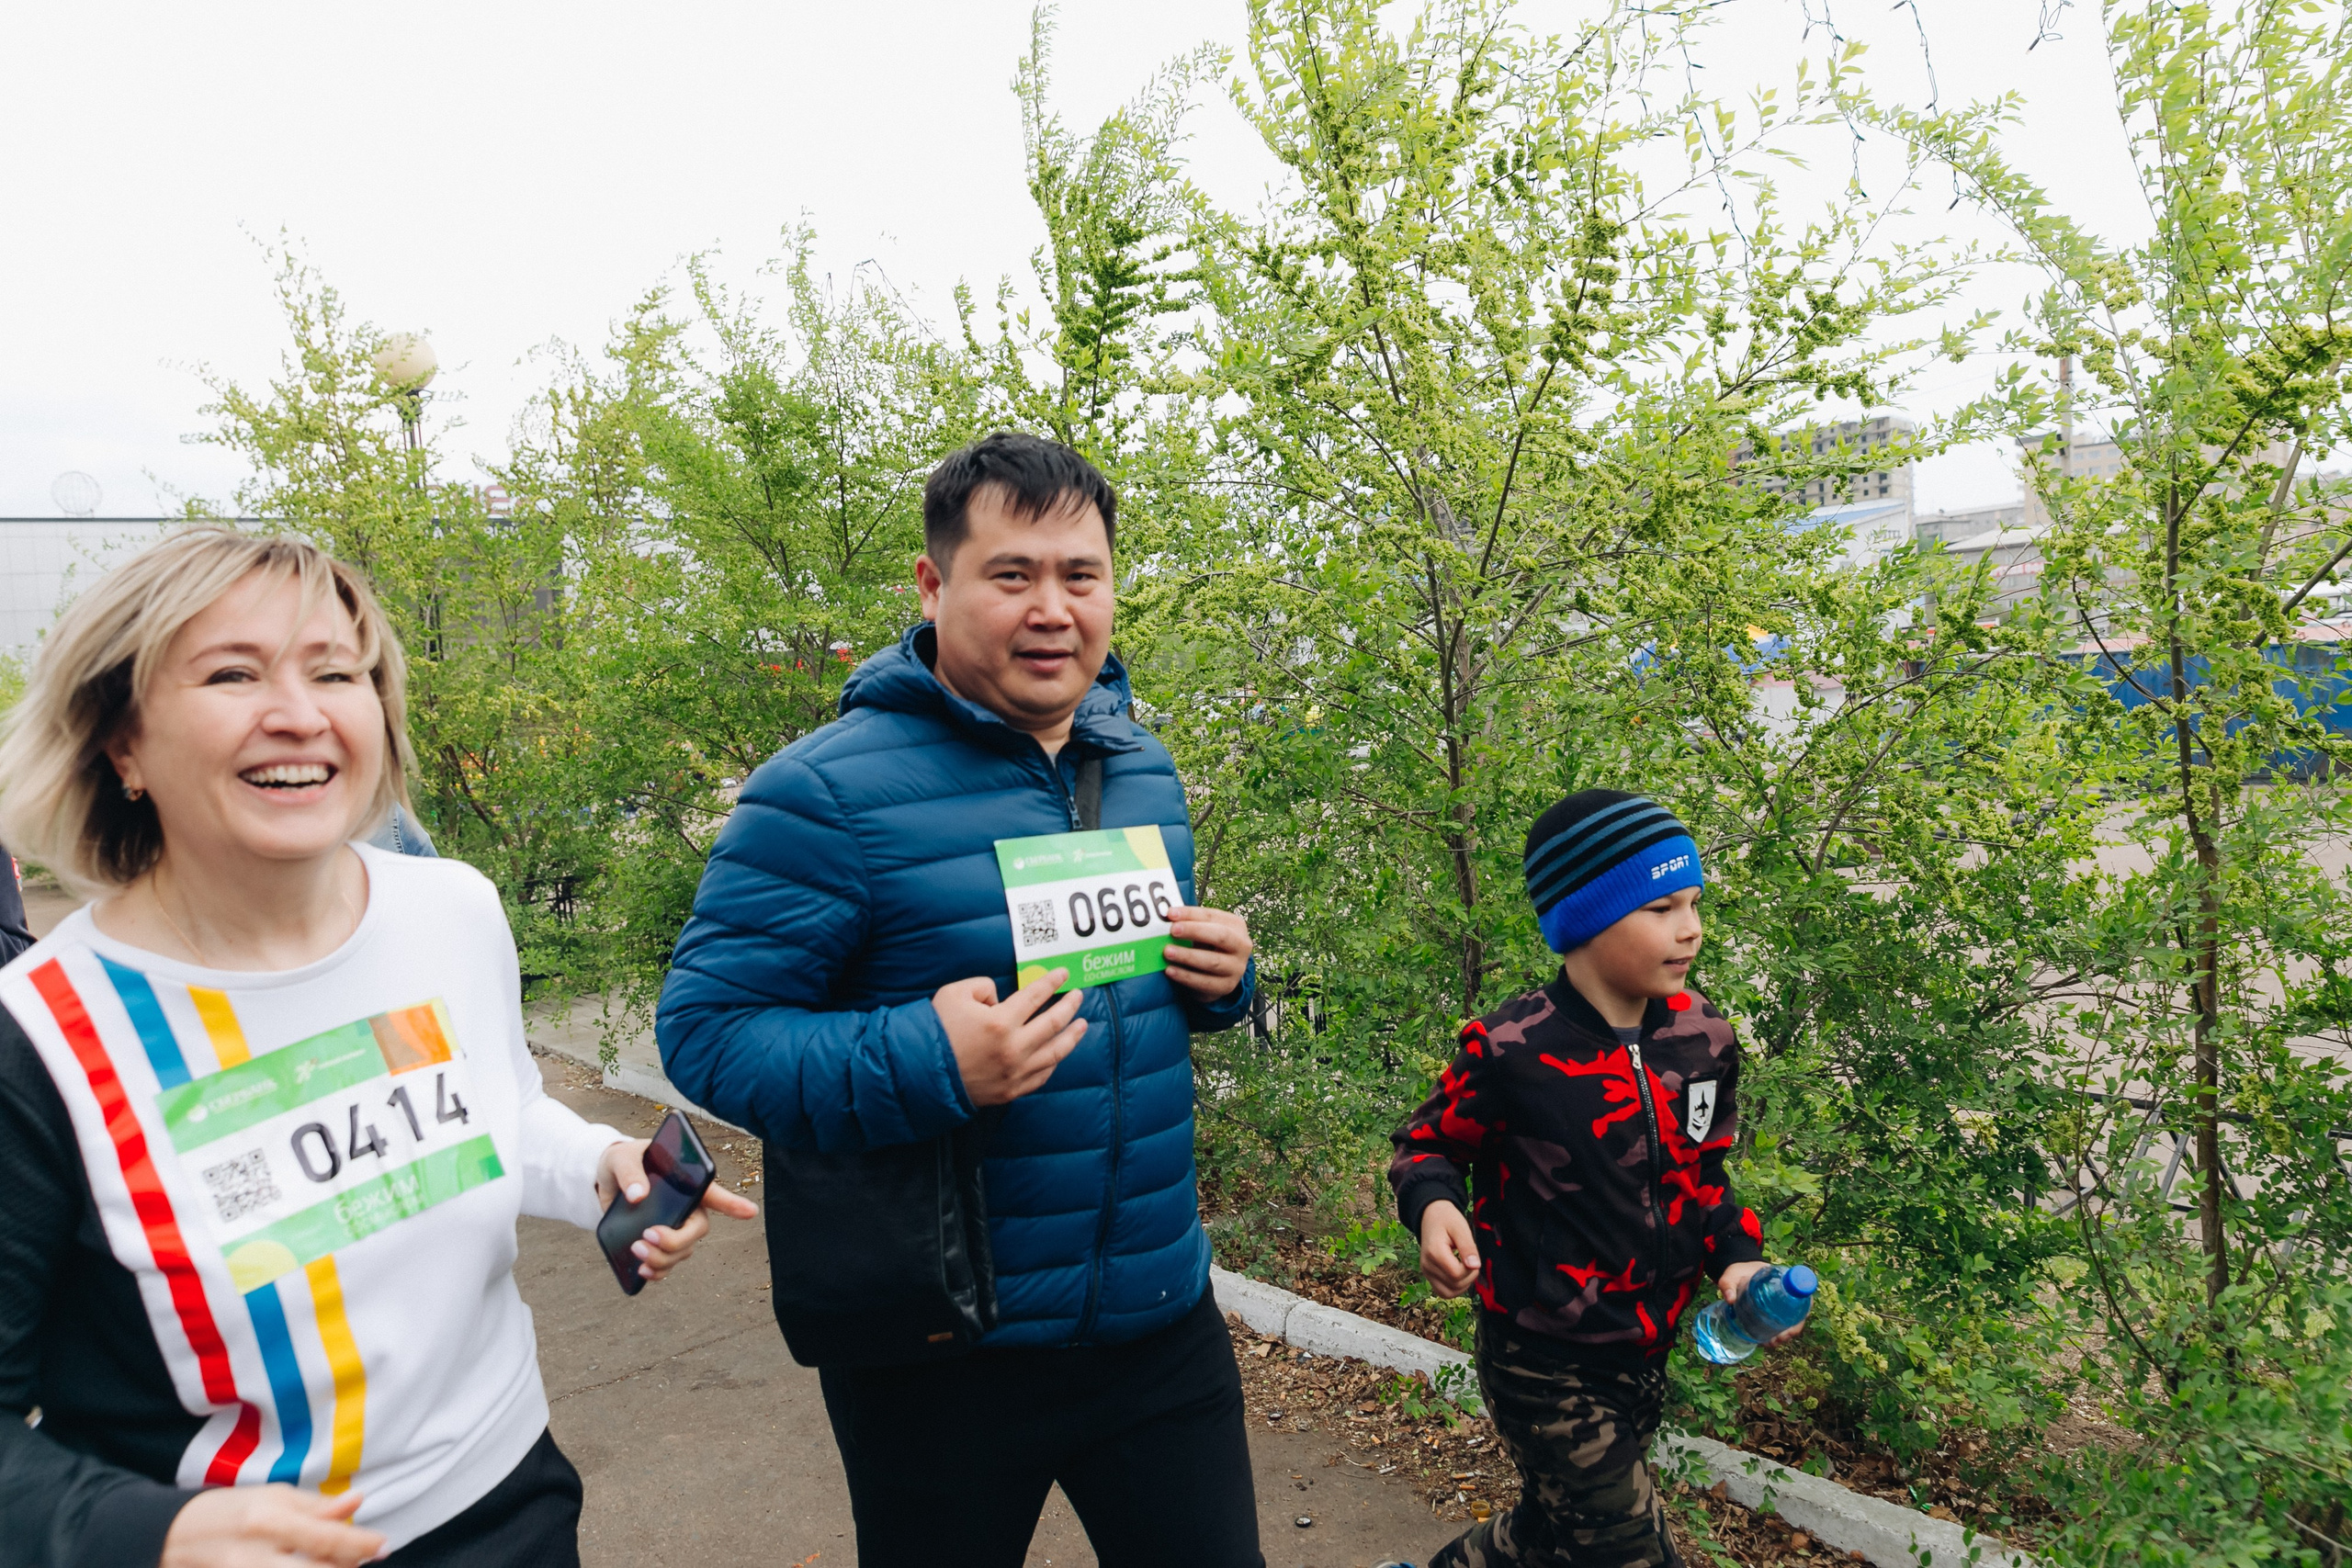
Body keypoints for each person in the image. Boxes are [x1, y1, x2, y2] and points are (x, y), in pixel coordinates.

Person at [0, 527, 756, 1568]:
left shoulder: (450, 909)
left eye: (335, 672)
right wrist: (141, 1534)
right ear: (120, 740)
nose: (300, 714)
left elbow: (493, 1112)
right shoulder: (37, 1037)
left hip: (516, 1502)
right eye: (233, 673)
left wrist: (595, 1164)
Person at [658, 432, 1263, 1568]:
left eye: (1080, 577)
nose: (1052, 609)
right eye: (1012, 574)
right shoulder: (822, 791)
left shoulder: (1136, 765)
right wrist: (933, 1061)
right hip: (938, 1344)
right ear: (934, 588)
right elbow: (706, 1034)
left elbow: (1133, 995)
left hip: (1156, 1316)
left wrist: (1224, 986)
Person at [1389, 790, 1795, 1568]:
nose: (1692, 926)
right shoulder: (1512, 1047)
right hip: (1539, 1356)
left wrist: (1738, 1259)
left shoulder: (1703, 1037)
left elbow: (1706, 1176)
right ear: (1587, 919)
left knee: (1555, 1533)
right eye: (1662, 905)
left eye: (1695, 901)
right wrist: (1434, 1205)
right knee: (1623, 1547)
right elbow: (1426, 1144)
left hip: (1644, 1351)